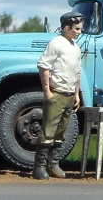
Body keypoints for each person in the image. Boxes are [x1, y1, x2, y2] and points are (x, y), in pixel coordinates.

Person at [33, 11, 84, 180]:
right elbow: (44, 66)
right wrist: (47, 91)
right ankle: (39, 166)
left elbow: (77, 72)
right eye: (77, 28)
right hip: (57, 92)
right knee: (48, 129)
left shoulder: (75, 47)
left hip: (69, 94)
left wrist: (76, 94)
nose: (79, 32)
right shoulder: (56, 43)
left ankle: (53, 164)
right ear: (67, 27)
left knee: (61, 131)